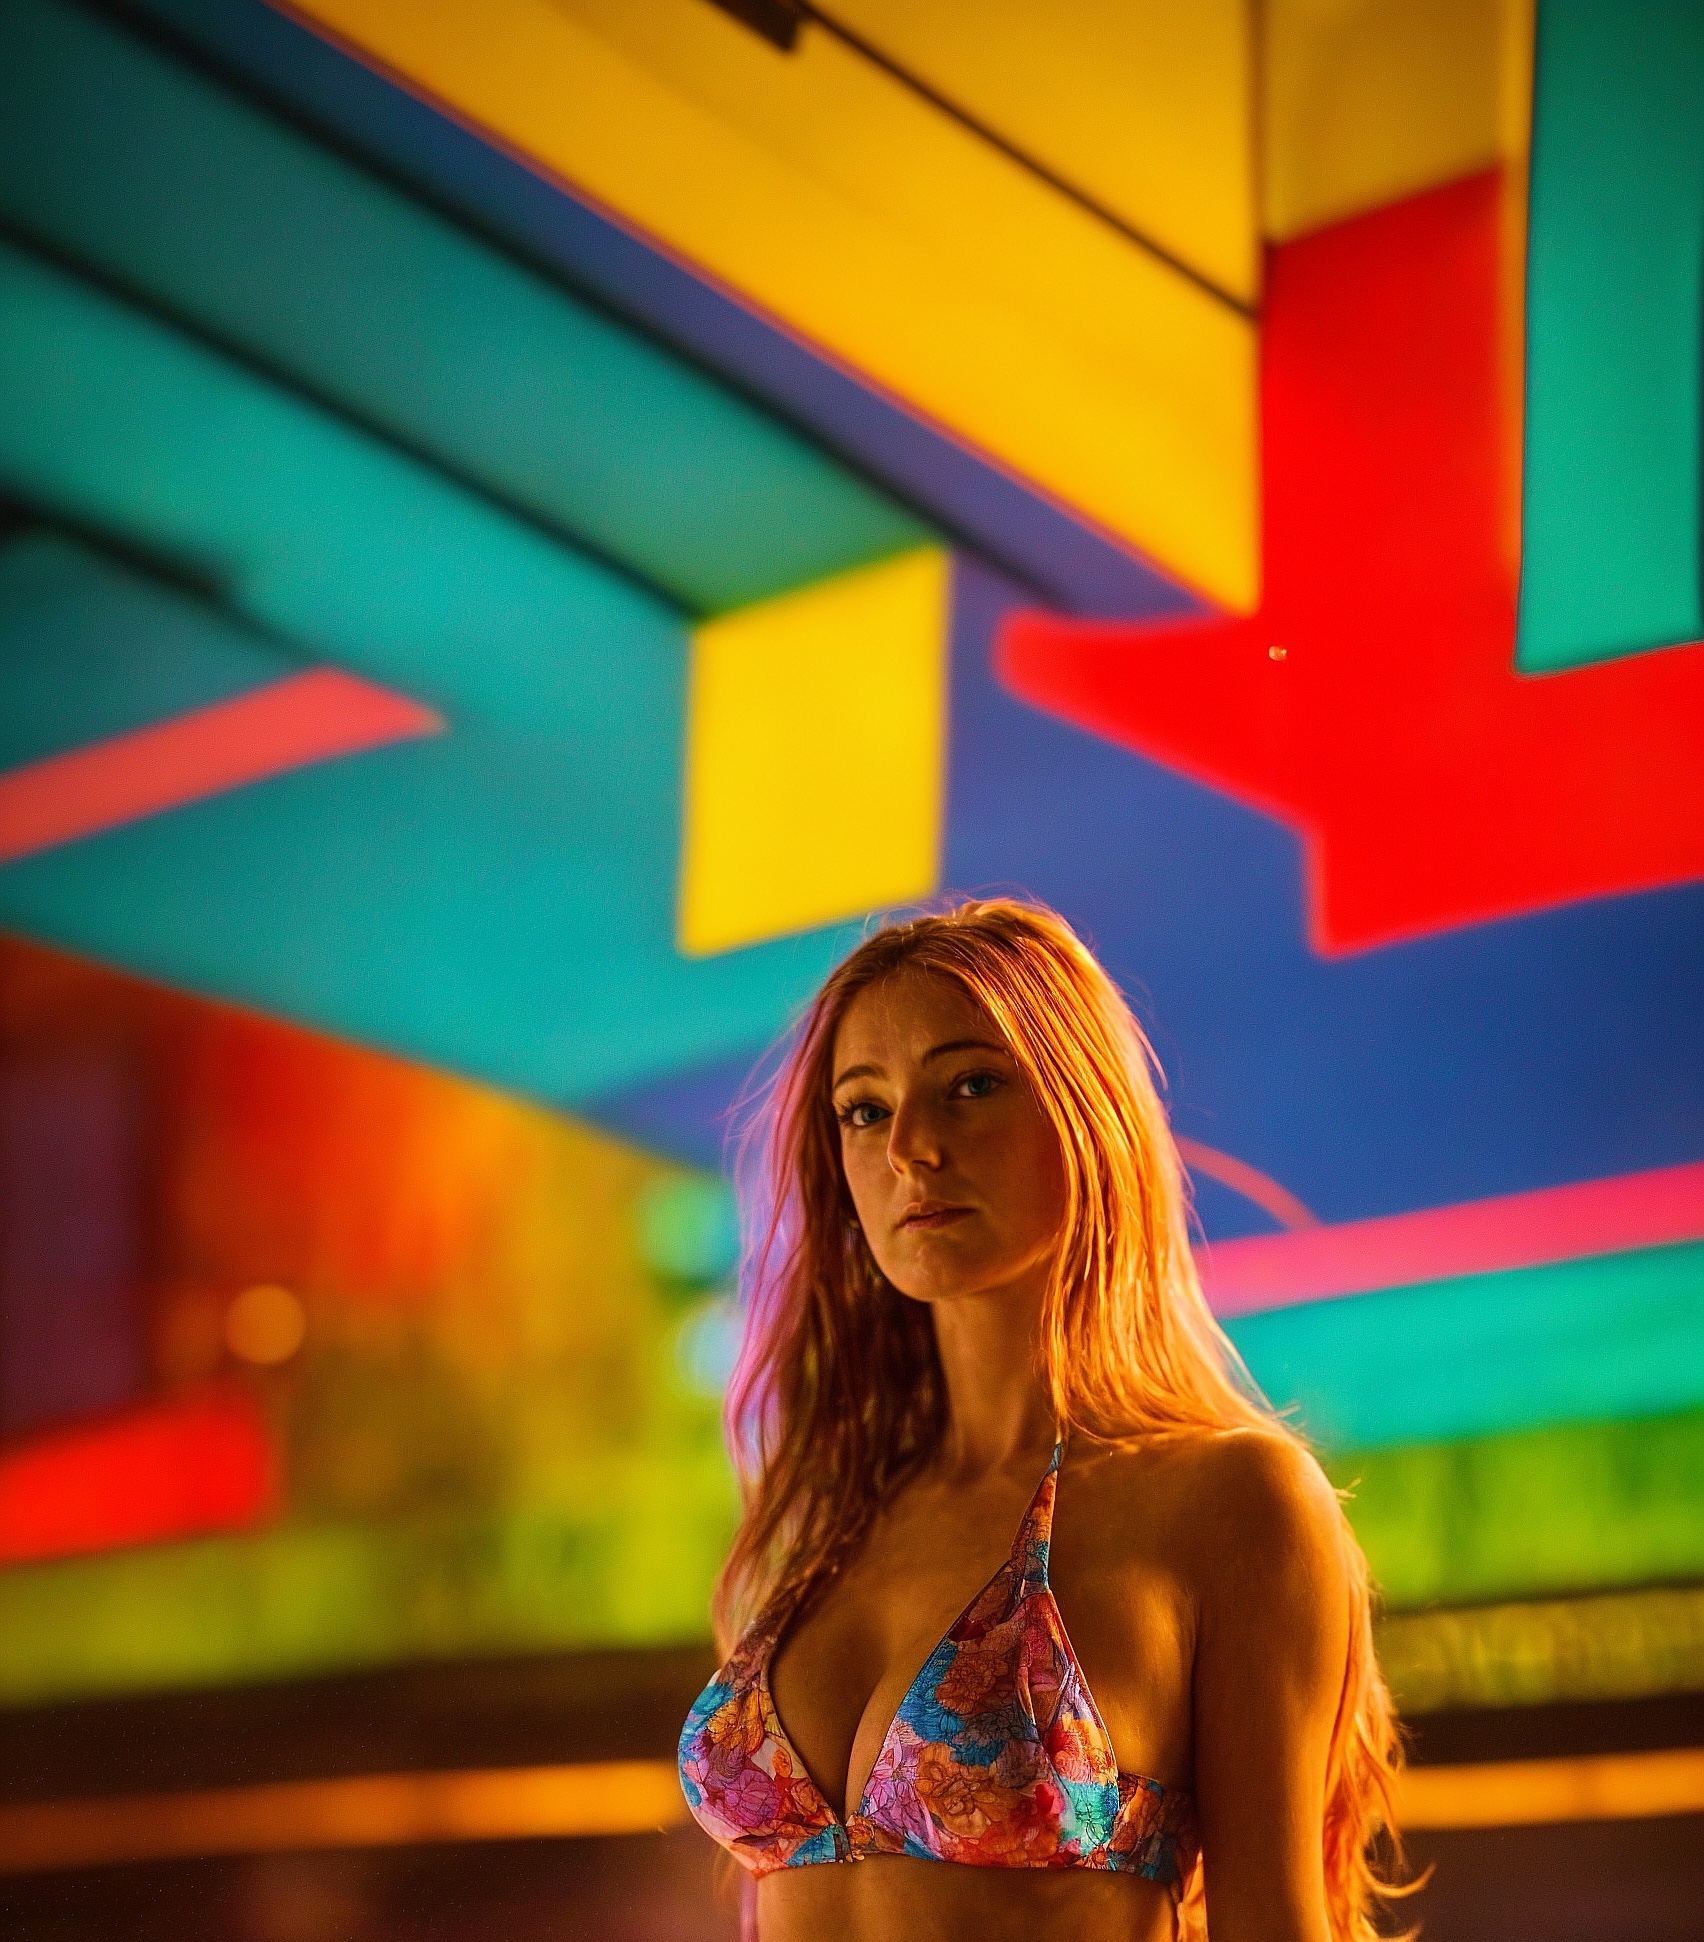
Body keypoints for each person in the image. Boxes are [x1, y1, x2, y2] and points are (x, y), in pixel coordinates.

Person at [679, 900, 1407, 1941]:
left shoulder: (1232, 1502)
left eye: (971, 1085)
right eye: (865, 1109)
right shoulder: (837, 1518)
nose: (912, 1148)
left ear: (1084, 1112)